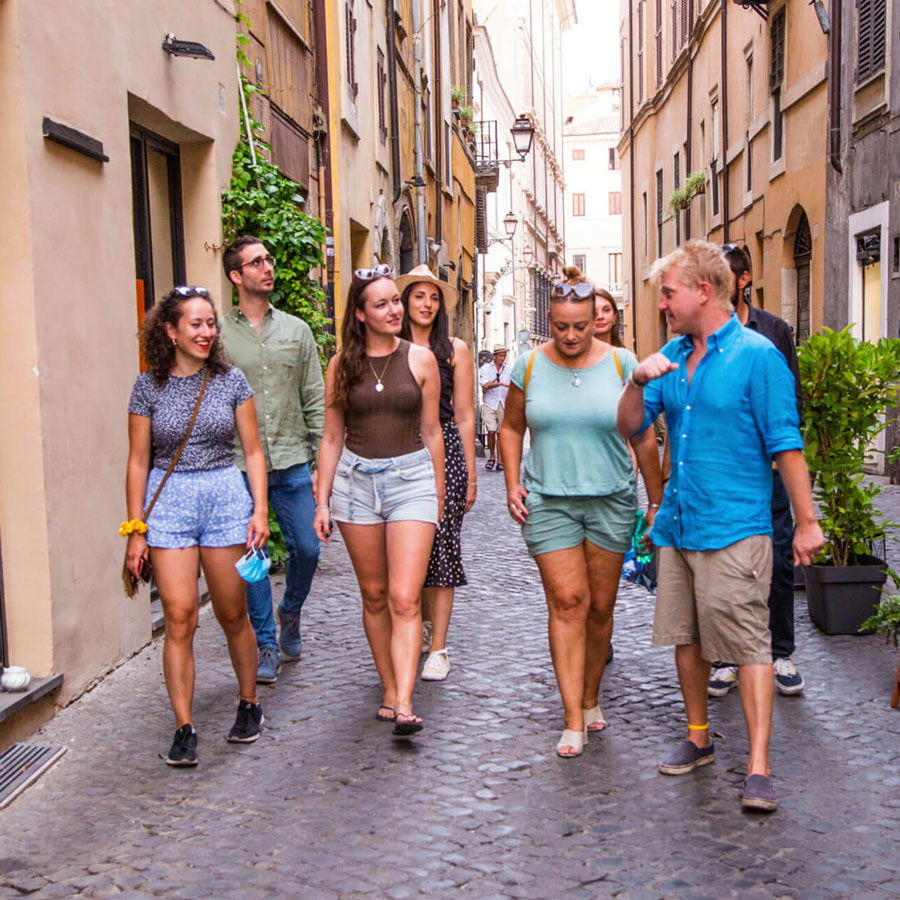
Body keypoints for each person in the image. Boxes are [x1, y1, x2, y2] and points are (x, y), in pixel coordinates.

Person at [617, 240, 823, 812]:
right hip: (679, 526)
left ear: (703, 291)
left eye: (668, 293)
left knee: (750, 644)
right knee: (687, 638)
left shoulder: (759, 357)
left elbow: (786, 444)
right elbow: (629, 426)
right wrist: (636, 381)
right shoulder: (671, 357)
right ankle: (699, 736)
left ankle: (758, 766)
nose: (662, 303)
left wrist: (806, 523)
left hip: (736, 527)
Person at [500, 271, 663, 758]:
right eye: (561, 327)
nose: (570, 336)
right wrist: (512, 482)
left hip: (612, 498)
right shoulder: (529, 365)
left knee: (599, 607)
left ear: (597, 321)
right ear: (549, 320)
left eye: (580, 326)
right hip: (549, 501)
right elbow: (511, 427)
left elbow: (644, 437)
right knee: (568, 602)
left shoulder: (621, 364)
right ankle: (573, 716)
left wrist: (655, 503)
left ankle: (591, 696)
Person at [124, 287, 270, 767]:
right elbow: (138, 460)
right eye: (196, 324)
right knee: (180, 617)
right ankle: (184, 726)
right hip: (169, 505)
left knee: (232, 613)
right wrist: (136, 529)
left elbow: (253, 452)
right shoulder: (148, 386)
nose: (207, 332)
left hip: (223, 497)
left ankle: (249, 702)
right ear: (171, 330)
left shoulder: (230, 380)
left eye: (211, 324)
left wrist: (259, 511)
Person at [313, 264, 446, 735]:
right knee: (373, 595)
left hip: (411, 481)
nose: (394, 310)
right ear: (360, 314)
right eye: (382, 304)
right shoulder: (341, 365)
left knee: (404, 597)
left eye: (395, 301)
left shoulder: (421, 360)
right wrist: (323, 501)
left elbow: (432, 431)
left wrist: (439, 493)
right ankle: (389, 689)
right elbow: (332, 437)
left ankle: (406, 702)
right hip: (355, 484)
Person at [220, 235, 325, 686]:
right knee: (253, 558)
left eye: (269, 259)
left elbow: (314, 397)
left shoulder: (297, 332)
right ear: (235, 276)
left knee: (308, 548)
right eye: (256, 262)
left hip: (292, 459)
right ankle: (265, 644)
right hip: (238, 466)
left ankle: (291, 610)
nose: (268, 267)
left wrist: (321, 463)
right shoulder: (219, 336)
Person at [707, 244, 806, 699]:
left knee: (779, 559)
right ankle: (728, 658)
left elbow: (791, 399)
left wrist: (779, 454)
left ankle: (780, 652)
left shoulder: (774, 331)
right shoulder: (702, 334)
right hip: (722, 472)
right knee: (724, 563)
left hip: (766, 471)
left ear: (744, 279)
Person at [398, 265, 477, 682]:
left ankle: (439, 648)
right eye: (419, 296)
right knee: (408, 548)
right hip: (399, 446)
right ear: (405, 302)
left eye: (433, 298)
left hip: (444, 448)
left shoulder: (455, 350)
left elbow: (464, 415)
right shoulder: (391, 348)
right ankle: (421, 624)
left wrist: (470, 473)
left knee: (443, 546)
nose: (427, 304)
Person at [479, 346, 510, 471]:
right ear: (495, 356)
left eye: (504, 356)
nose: (503, 358)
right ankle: (492, 456)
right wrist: (500, 384)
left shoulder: (508, 369)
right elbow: (485, 385)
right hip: (489, 403)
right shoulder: (486, 368)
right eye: (501, 356)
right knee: (491, 431)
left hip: (503, 403)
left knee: (500, 433)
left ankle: (500, 460)